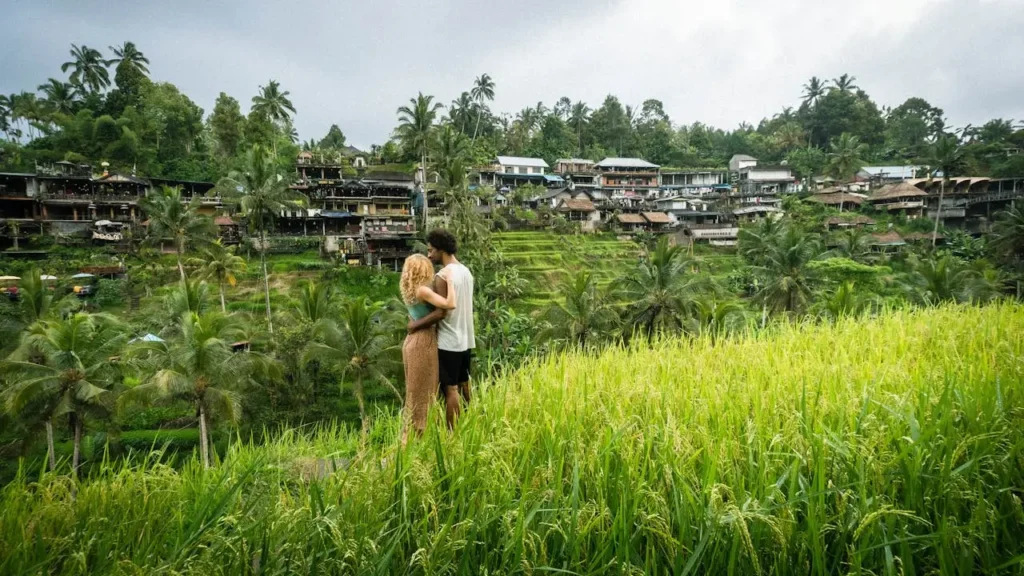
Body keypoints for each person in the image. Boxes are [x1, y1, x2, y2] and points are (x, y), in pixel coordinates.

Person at [407, 229, 475, 430]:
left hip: (448, 340)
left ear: (441, 249)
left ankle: (451, 434)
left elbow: (440, 313)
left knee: (450, 389)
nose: (429, 256)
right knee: (464, 384)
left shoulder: (443, 275)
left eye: (431, 251)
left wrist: (414, 325)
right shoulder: (465, 271)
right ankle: (470, 423)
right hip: (465, 339)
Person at [399, 254, 456, 444]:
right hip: (423, 342)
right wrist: (451, 284)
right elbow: (449, 305)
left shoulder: (410, 289)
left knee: (415, 392)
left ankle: (411, 439)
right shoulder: (422, 290)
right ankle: (419, 440)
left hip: (411, 341)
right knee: (423, 393)